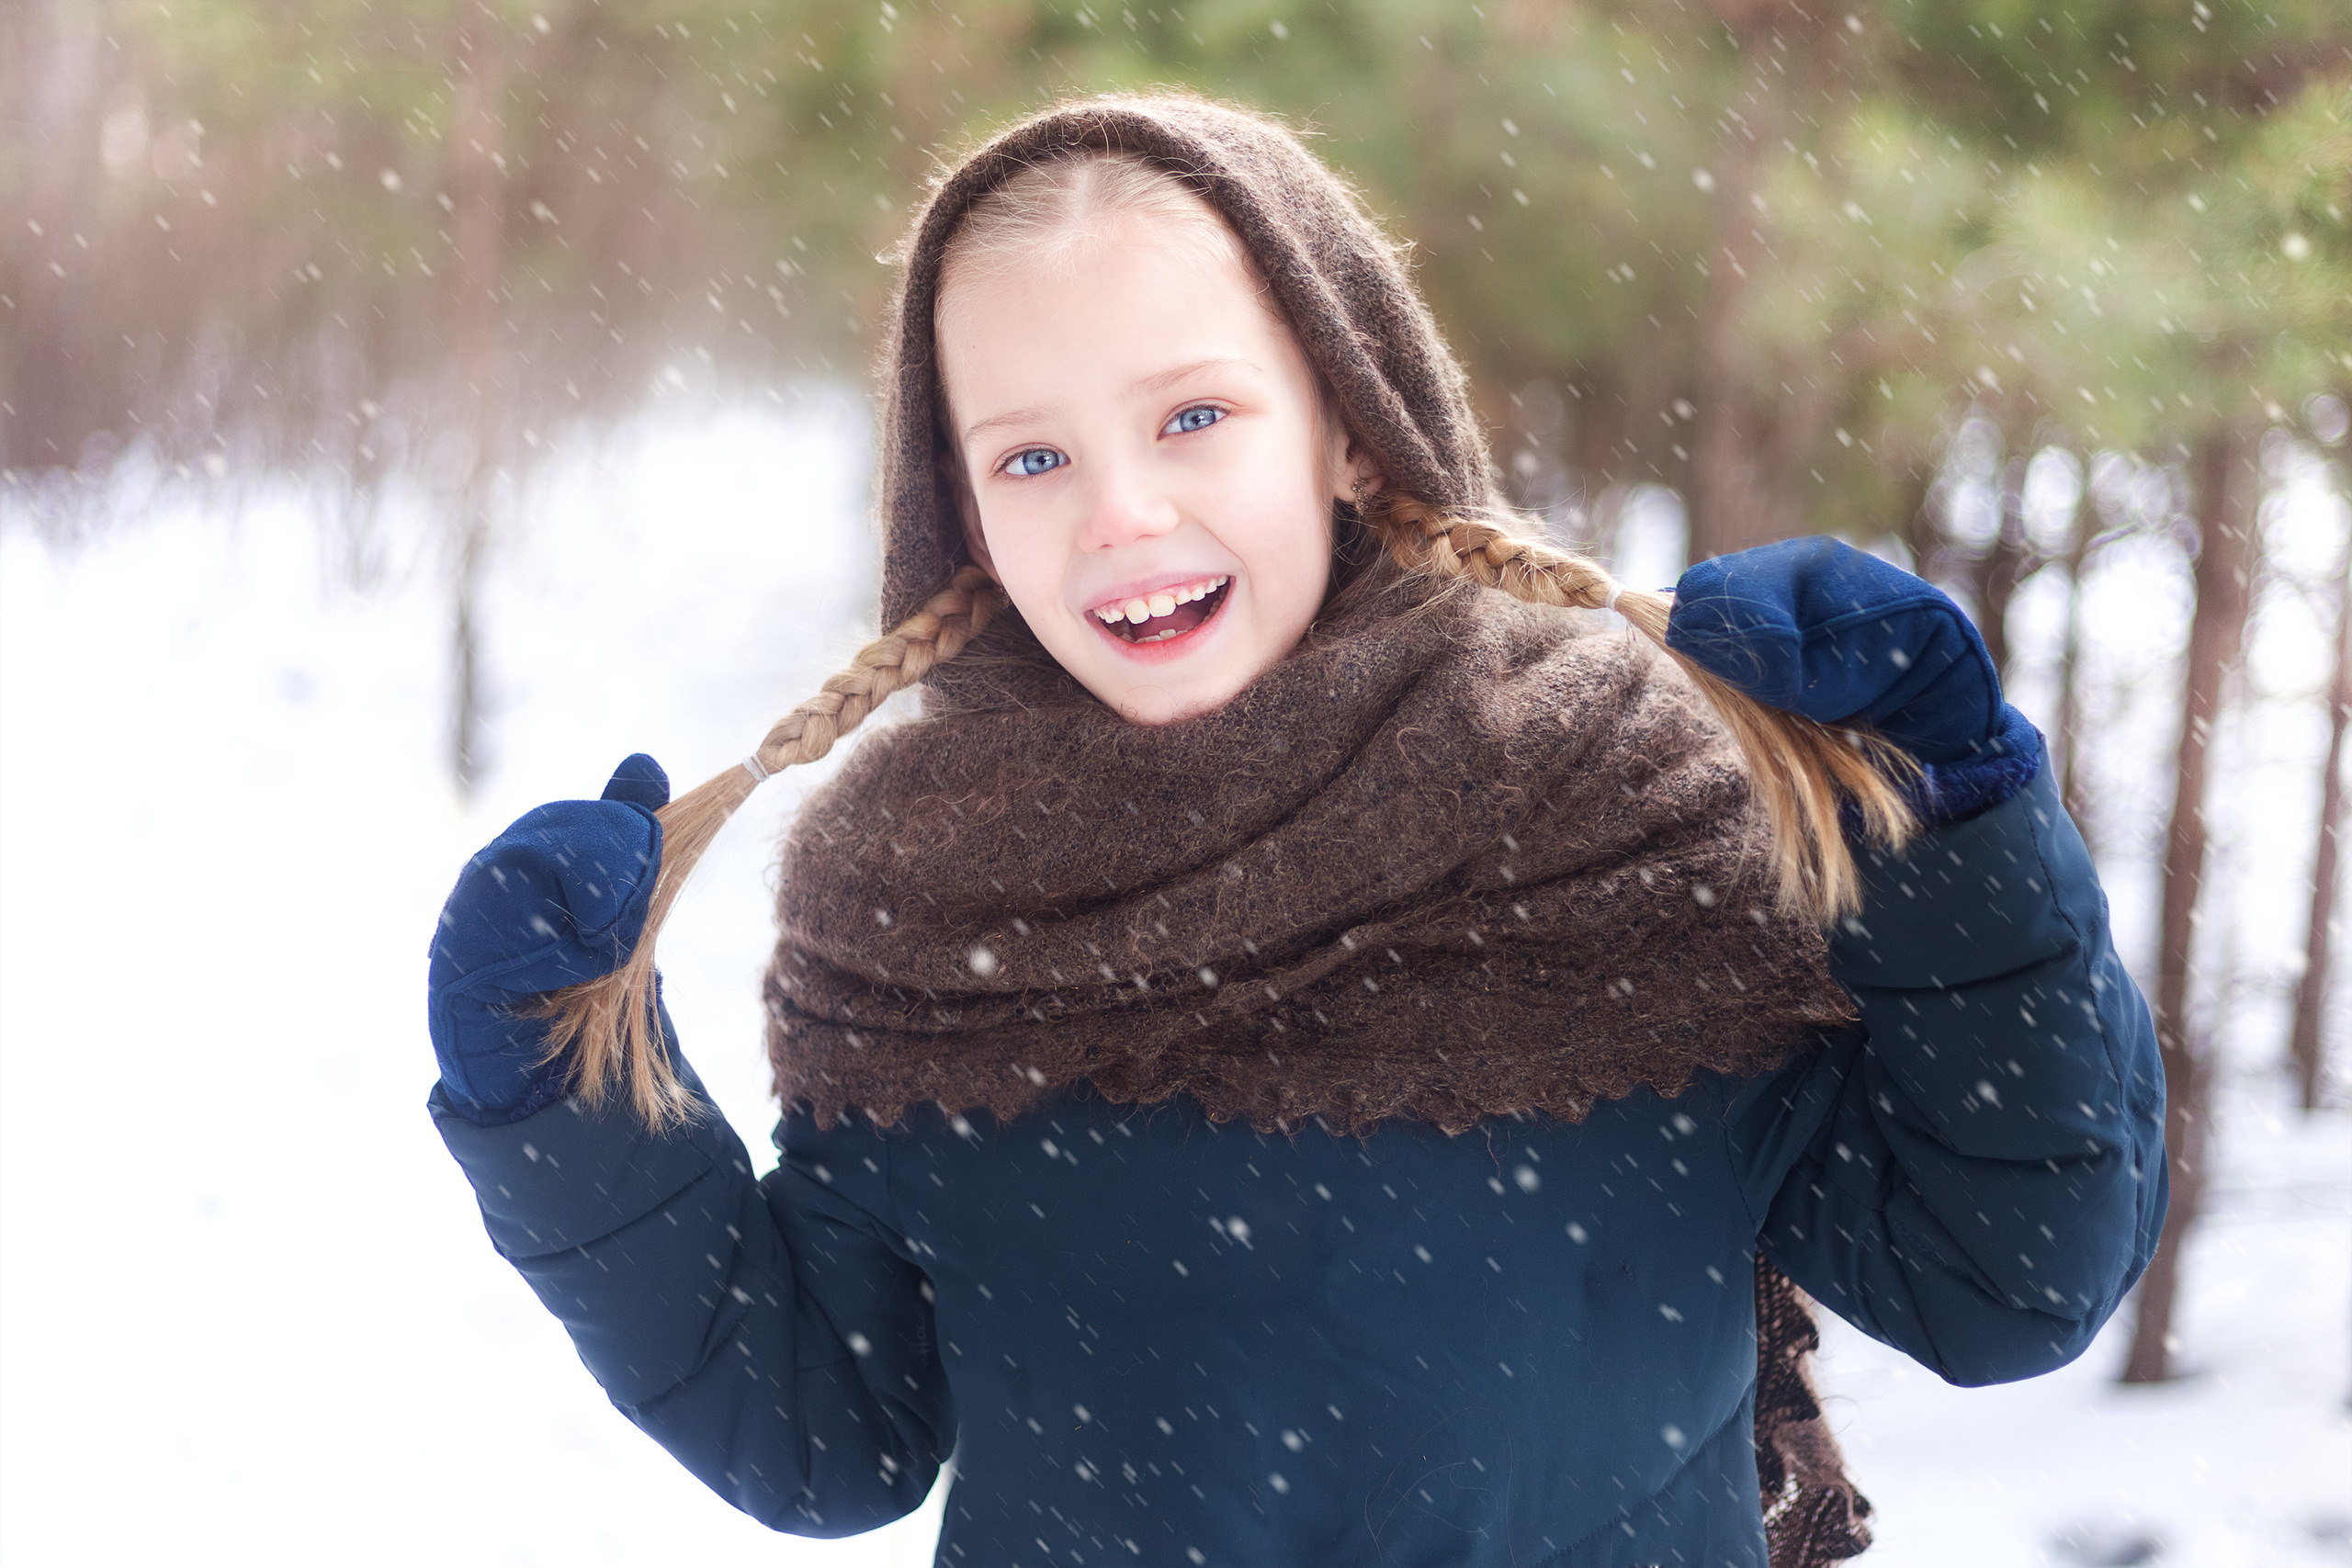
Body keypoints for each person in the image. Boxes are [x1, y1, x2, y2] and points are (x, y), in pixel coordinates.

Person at [425, 95, 2165, 1568]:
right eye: (1029, 458)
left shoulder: (1615, 806)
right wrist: (562, 1101)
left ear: (1343, 414)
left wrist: (1947, 829)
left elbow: (2001, 1276)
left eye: (1194, 416)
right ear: (953, 501)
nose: (1123, 512)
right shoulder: (916, 896)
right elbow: (828, 1427)